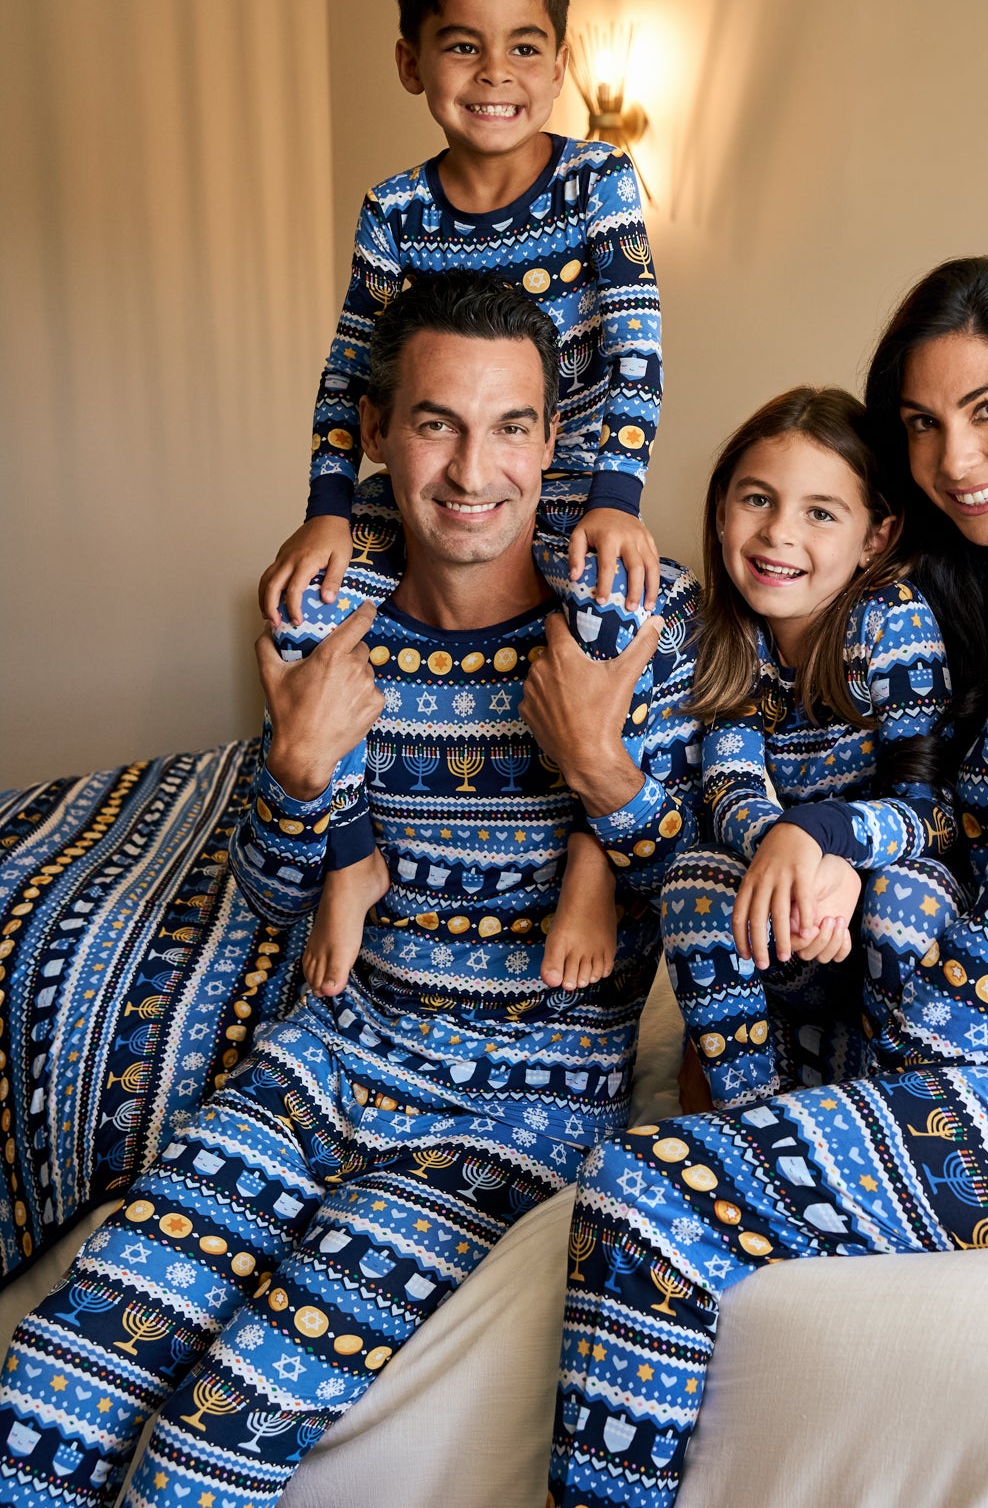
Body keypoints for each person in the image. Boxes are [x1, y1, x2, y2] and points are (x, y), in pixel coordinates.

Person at [545, 257, 988, 1508]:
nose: (953, 457)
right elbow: (937, 819)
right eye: (923, 425)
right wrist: (822, 845)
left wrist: (867, 1029)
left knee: (645, 1195)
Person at [0, 274, 699, 1508]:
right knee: (47, 1391)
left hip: (510, 1115)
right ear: (376, 433)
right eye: (436, 422)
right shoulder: (322, 614)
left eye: (509, 428)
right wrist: (294, 767)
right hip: (322, 1064)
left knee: (205, 1447)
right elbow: (278, 893)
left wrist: (598, 766)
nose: (472, 469)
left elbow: (690, 895)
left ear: (553, 441)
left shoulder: (638, 613)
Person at [262, 0, 665, 1005]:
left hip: (568, 486)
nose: (495, 74)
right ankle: (350, 855)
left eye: (524, 46)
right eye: (460, 45)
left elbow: (635, 342)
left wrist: (618, 495)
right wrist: (328, 509)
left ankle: (587, 861)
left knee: (614, 618)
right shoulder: (394, 210)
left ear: (559, 62)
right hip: (424, 492)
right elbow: (353, 374)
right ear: (410, 62)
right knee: (308, 607)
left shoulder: (597, 183)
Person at [661, 387, 960, 1109]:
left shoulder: (889, 621)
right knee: (692, 879)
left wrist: (827, 843)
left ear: (876, 537)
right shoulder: (725, 635)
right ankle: (751, 1114)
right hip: (792, 921)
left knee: (906, 897)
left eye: (820, 513)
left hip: (869, 905)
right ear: (722, 507)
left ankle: (894, 1108)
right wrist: (789, 862)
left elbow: (932, 810)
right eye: (756, 500)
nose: (778, 534)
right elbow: (730, 788)